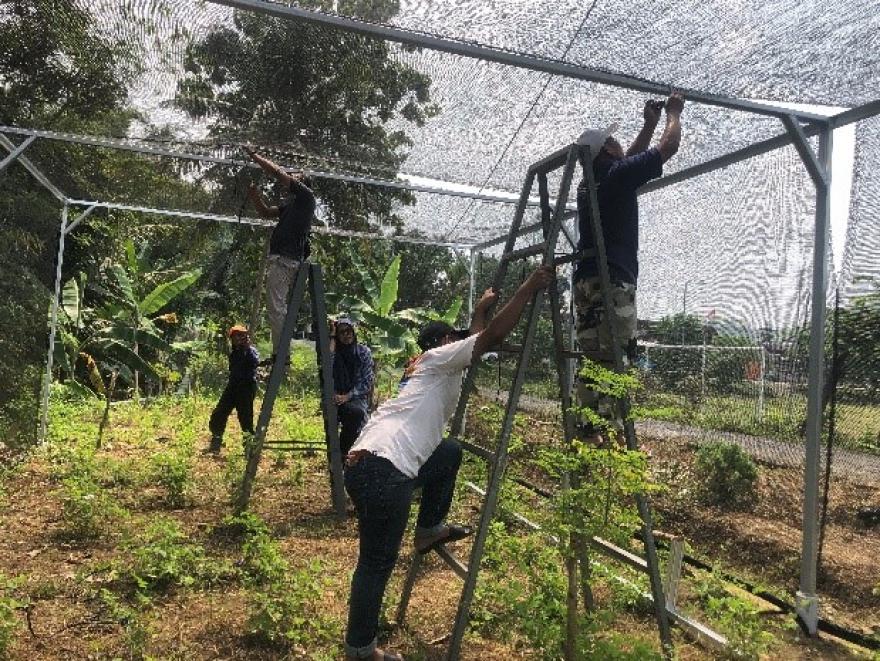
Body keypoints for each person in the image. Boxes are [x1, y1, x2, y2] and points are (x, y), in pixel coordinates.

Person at [342, 268, 555, 661]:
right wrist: (528, 287)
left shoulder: (429, 367)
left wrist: (479, 311)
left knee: (448, 452)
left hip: (366, 464)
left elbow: (477, 339)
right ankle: (360, 651)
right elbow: (489, 339)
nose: (464, 340)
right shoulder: (438, 358)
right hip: (385, 470)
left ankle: (428, 529)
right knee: (375, 564)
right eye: (456, 337)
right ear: (443, 343)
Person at [572, 92, 684, 444]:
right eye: (614, 141)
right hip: (612, 280)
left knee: (593, 357)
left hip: (586, 280)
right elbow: (668, 148)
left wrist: (647, 125)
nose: (620, 144)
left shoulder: (588, 184)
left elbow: (629, 160)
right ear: (607, 150)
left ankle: (587, 431)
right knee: (617, 357)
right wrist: (673, 114)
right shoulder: (616, 175)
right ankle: (610, 436)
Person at [243, 146, 316, 362]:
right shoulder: (292, 206)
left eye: (297, 175)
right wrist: (255, 196)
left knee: (276, 307)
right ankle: (280, 351)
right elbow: (265, 212)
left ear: (303, 182)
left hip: (286, 260)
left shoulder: (306, 197)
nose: (292, 176)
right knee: (276, 306)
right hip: (283, 259)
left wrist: (255, 156)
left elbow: (277, 173)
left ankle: (281, 353)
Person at [207, 325, 259, 454]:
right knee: (219, 413)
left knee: (245, 418)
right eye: (235, 336)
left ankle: (249, 447)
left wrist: (247, 348)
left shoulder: (251, 351)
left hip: (246, 387)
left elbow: (255, 362)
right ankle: (216, 440)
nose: (238, 339)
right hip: (233, 386)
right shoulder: (234, 352)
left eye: (241, 336)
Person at [330, 317, 375, 456]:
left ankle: (343, 456)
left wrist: (348, 396)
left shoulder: (363, 352)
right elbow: (327, 368)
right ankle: (339, 458)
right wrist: (332, 337)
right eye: (342, 332)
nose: (346, 335)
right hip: (335, 397)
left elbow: (366, 383)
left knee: (357, 416)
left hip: (356, 397)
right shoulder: (335, 352)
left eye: (349, 331)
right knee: (336, 418)